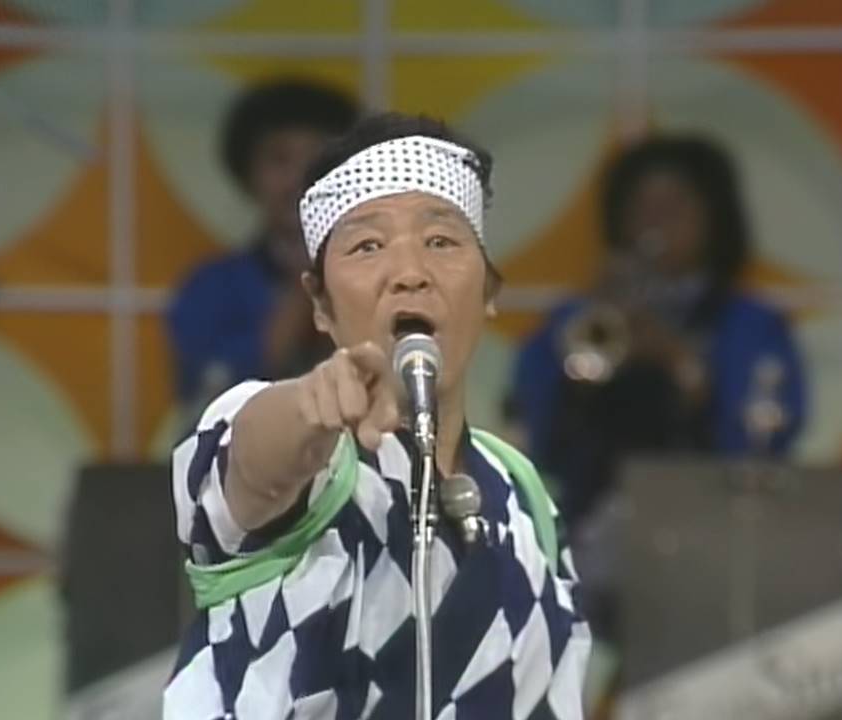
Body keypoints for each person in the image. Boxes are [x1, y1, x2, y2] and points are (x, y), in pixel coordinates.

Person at [163, 113, 591, 719]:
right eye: (367, 246)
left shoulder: (525, 499)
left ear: (490, 291)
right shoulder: (301, 448)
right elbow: (255, 463)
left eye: (441, 242)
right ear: (319, 303)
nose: (410, 274)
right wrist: (308, 407)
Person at [512, 134, 809, 536]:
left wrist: (676, 360)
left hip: (716, 527)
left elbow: (767, 442)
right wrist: (578, 374)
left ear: (714, 219)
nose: (653, 224)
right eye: (640, 208)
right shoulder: (578, 316)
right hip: (595, 522)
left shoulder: (751, 322)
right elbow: (534, 431)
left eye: (672, 209)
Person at [166, 79, 361, 412]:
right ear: (248, 174)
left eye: (318, 160)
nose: (299, 179)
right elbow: (213, 396)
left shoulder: (379, 278)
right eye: (280, 160)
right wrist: (306, 285)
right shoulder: (211, 286)